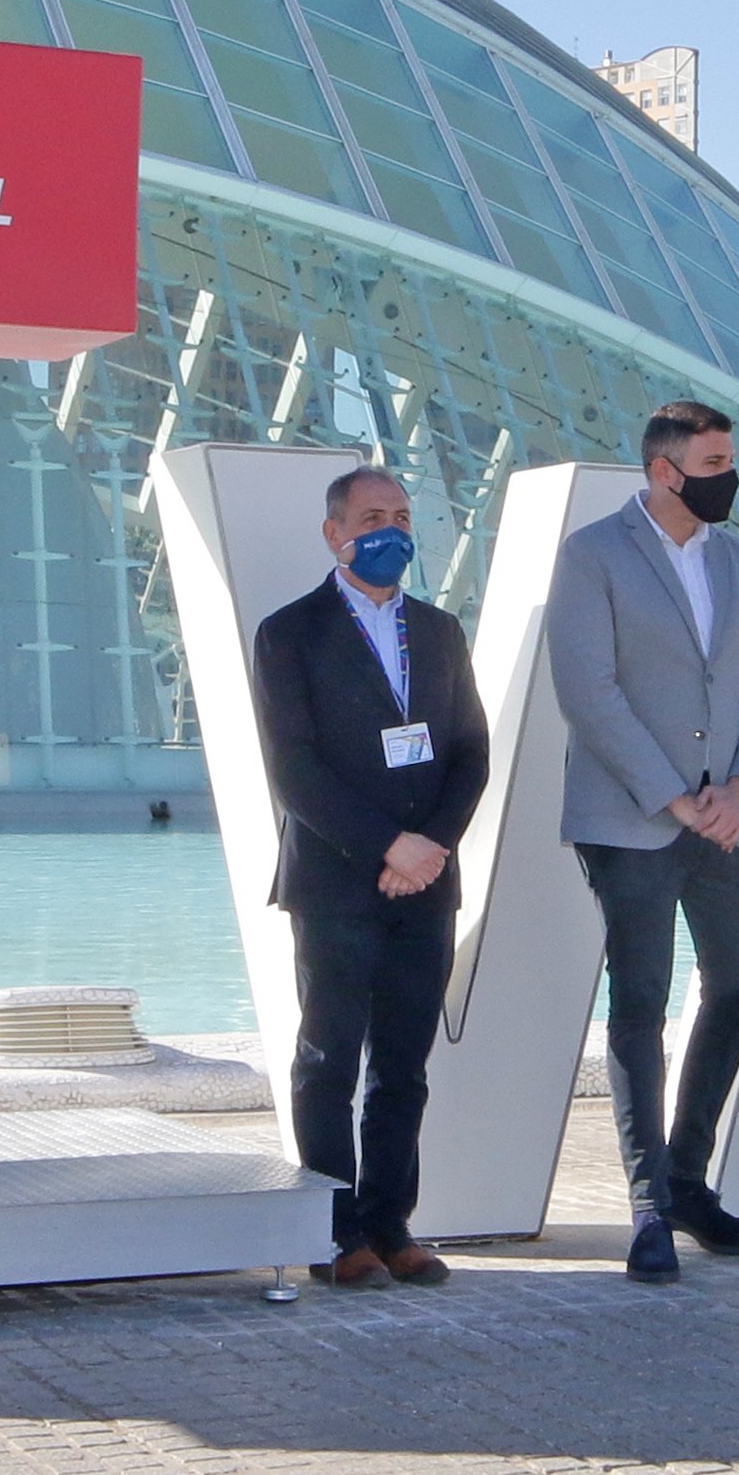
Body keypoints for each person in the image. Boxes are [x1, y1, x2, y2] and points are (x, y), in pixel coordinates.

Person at [549, 402, 739, 1283]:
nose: (730, 475)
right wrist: (675, 799)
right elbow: (588, 690)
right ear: (663, 469)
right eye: (716, 460)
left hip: (729, 820)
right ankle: (648, 1204)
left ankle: (689, 1176)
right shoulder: (593, 554)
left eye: (732, 457)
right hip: (631, 822)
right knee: (640, 1007)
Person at [252, 466, 489, 1286]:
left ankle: (392, 1223)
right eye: (371, 517)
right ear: (334, 533)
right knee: (329, 1058)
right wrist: (389, 845)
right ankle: (334, 1230)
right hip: (336, 884)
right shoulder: (291, 633)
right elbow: (295, 769)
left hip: (425, 885)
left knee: (403, 1065)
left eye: (401, 515)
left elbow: (469, 753)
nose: (390, 530)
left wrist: (430, 847)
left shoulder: (440, 630)